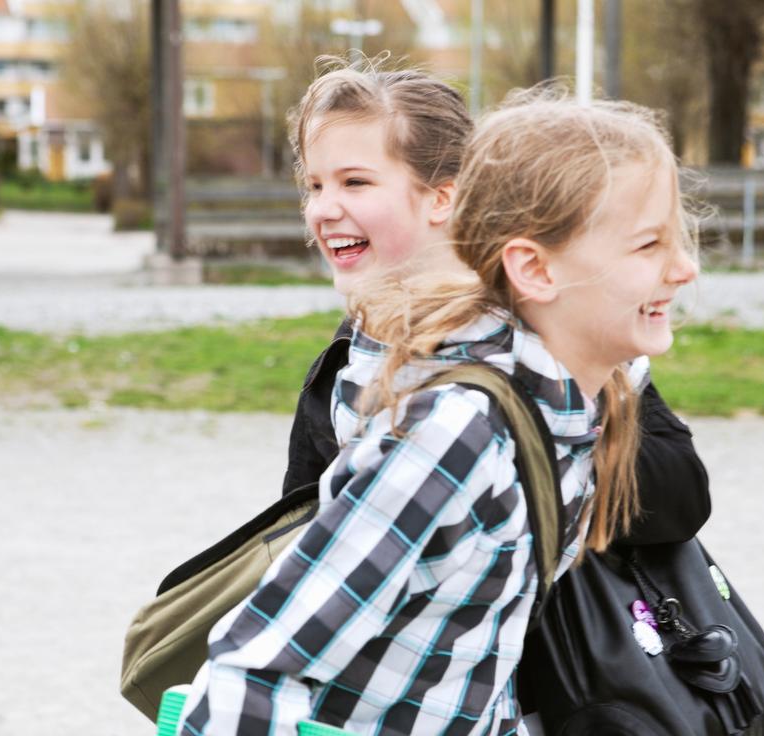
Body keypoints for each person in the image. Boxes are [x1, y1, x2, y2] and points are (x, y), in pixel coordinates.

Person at [180, 76, 699, 734]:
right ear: (534, 270)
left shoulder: (574, 413)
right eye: (649, 244)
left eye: (355, 182)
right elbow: (248, 674)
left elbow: (471, 673)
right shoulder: (457, 431)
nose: (683, 269)